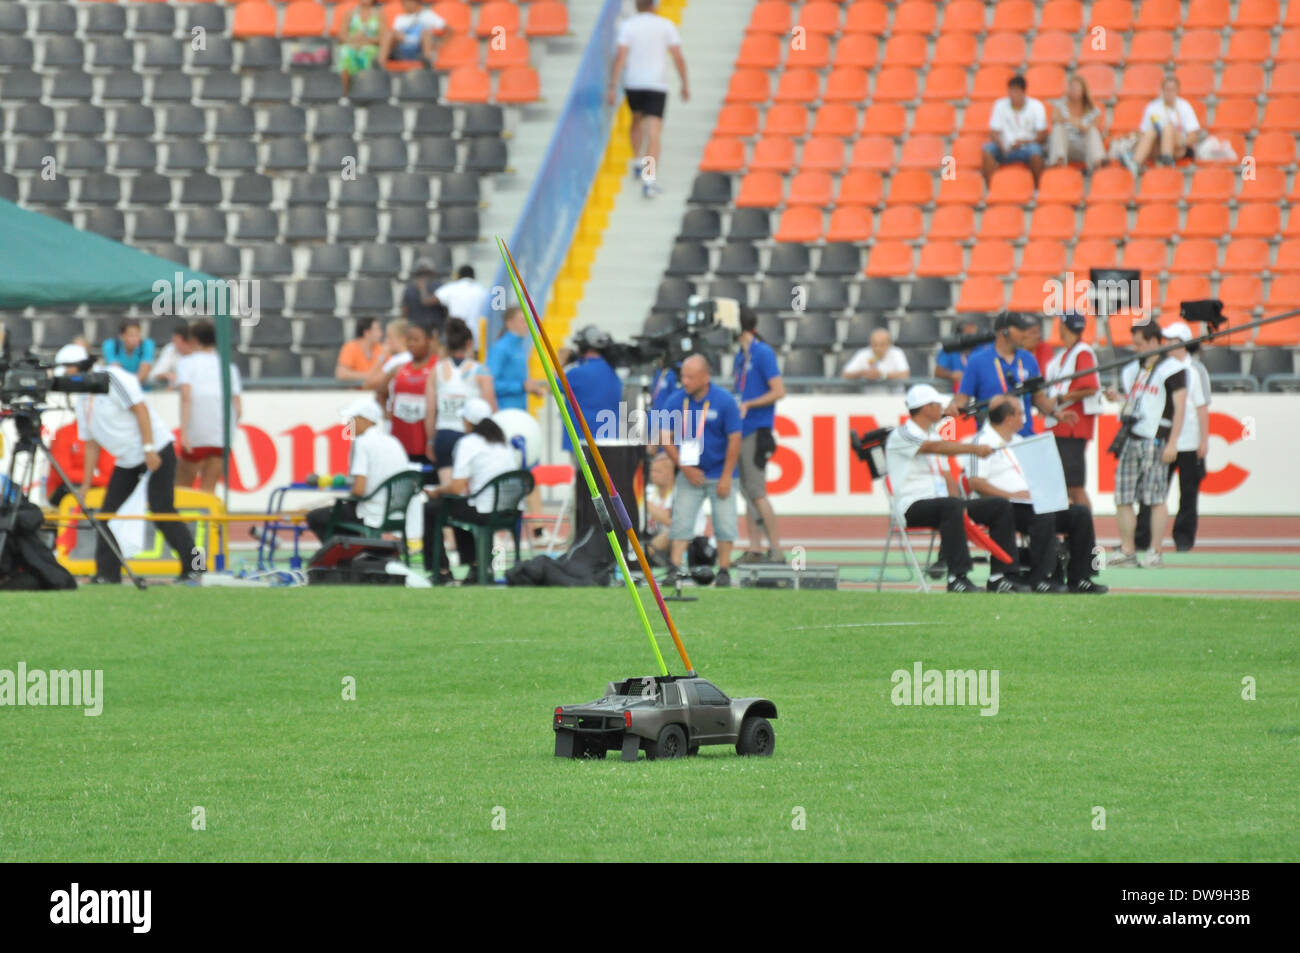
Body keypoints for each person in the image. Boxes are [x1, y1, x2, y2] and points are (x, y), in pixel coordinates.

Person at [72, 346, 199, 583]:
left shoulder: (113, 378)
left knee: (163, 511)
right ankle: (107, 575)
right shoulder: (81, 398)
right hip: (128, 459)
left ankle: (195, 566)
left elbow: (140, 410)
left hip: (156, 450)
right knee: (107, 515)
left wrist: (149, 448)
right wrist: (85, 485)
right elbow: (91, 444)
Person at [884, 384, 1025, 593]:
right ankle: (957, 578)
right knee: (951, 505)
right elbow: (934, 448)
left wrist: (964, 505)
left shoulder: (933, 434)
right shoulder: (902, 434)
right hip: (911, 506)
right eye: (937, 405)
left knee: (999, 506)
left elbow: (948, 478)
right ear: (926, 407)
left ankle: (1000, 576)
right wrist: (974, 449)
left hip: (945, 505)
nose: (942, 408)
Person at [966, 396, 1108, 594]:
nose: (1024, 417)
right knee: (1042, 515)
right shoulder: (982, 442)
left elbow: (1037, 477)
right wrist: (1010, 494)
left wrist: (1055, 497)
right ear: (1008, 418)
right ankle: (1041, 577)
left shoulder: (1019, 441)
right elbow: (975, 482)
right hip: (1003, 506)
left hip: (1032, 503)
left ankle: (1081, 578)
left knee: (1079, 514)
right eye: (1020, 413)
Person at [1104, 322, 1188, 568]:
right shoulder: (1136, 369)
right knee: (1123, 495)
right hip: (1132, 436)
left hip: (1156, 439)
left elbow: (1180, 407)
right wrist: (1119, 398)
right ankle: (1128, 550)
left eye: (1139, 343)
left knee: (1155, 497)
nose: (1136, 348)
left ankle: (1155, 551)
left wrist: (1173, 442)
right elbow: (1139, 402)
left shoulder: (1172, 368)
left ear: (1154, 341)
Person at [659, 355, 741, 587]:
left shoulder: (724, 401)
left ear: (706, 377)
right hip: (689, 472)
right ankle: (675, 568)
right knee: (681, 520)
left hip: (719, 473)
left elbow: (735, 440)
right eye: (683, 376)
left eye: (690, 377)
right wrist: (684, 468)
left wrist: (726, 476)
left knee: (725, 523)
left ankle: (723, 570)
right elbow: (665, 437)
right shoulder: (676, 401)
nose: (684, 381)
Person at [422, 398, 517, 585]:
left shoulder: (468, 443)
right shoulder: (503, 444)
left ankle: (440, 570)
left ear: (468, 421)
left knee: (432, 509)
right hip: (510, 509)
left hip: (485, 510)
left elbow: (456, 487)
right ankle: (475, 566)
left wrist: (437, 491)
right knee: (457, 508)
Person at [1135, 322, 1209, 553]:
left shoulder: (1196, 370)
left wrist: (1203, 440)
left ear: (1184, 343)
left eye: (1172, 341)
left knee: (1188, 493)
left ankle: (1184, 539)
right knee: (1153, 490)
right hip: (1163, 438)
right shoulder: (1159, 367)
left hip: (1188, 441)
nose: (1167, 345)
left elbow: (1202, 407)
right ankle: (1142, 538)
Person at [947, 312, 1075, 438]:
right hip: (992, 442)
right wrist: (953, 406)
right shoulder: (977, 361)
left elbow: (1038, 398)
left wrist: (1056, 414)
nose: (1025, 334)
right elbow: (962, 399)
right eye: (1020, 329)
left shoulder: (1028, 359)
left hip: (1025, 438)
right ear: (1004, 332)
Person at [607, 0, 689, 199]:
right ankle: (648, 178)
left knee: (636, 119)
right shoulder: (665, 25)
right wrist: (684, 82)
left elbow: (620, 56)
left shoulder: (629, 26)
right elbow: (678, 56)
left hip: (633, 82)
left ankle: (637, 161)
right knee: (653, 133)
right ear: (654, 5)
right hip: (656, 84)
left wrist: (612, 84)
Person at [305, 397, 411, 543]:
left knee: (315, 517)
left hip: (371, 513)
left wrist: (344, 497)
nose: (348, 423)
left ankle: (343, 559)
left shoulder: (362, 443)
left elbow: (359, 490)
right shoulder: (394, 442)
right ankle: (354, 556)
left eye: (352, 418)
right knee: (342, 512)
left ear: (365, 419)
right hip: (397, 513)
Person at [732, 307, 785, 563]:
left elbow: (778, 391)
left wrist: (749, 404)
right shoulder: (740, 357)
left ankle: (775, 549)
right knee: (748, 491)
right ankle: (754, 547)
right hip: (743, 430)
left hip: (756, 429)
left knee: (757, 491)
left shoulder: (762, 353)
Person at [175, 320, 242, 495]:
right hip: (221, 434)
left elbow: (186, 395)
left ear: (194, 340)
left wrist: (184, 432)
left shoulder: (187, 363)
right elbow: (237, 405)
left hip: (198, 432)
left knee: (182, 489)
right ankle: (204, 523)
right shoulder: (228, 366)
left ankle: (182, 523)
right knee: (208, 491)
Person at [426, 317, 495, 485]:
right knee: (471, 489)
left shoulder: (436, 370)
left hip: (445, 434)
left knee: (449, 489)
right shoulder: (481, 370)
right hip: (471, 435)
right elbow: (491, 408)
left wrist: (430, 440)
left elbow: (429, 411)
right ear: (470, 343)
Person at [1043, 311, 1102, 508]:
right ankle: (1076, 533)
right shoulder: (1071, 353)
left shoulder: (1081, 352)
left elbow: (1090, 386)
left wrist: (1060, 398)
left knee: (1074, 486)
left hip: (1071, 426)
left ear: (1063, 326)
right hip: (1066, 425)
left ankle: (1085, 535)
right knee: (1067, 485)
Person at [382, 320, 438, 481]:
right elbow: (381, 393)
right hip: (401, 438)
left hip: (425, 441)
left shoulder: (438, 367)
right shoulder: (399, 368)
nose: (412, 344)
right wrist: (387, 415)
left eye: (416, 339)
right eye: (409, 339)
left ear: (428, 341)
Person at [561, 326, 623, 455]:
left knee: (583, 475)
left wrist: (562, 362)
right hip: (608, 440)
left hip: (582, 440)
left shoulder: (577, 372)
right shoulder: (611, 371)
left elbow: (552, 386)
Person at [1129, 75, 1206, 172]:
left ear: (1178, 91)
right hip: (1157, 146)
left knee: (1168, 128)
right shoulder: (1152, 107)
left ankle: (1167, 159)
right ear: (1162, 90)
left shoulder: (1184, 106)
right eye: (1167, 89)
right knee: (1150, 133)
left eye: (1172, 89)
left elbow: (1193, 135)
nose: (1169, 93)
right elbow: (1143, 133)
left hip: (1177, 147)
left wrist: (1181, 142)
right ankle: (1135, 163)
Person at [982, 75, 1049, 186]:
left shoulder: (1036, 106)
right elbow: (994, 132)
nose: (1013, 95)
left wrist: (1023, 142)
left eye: (1016, 91)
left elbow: (1042, 136)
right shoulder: (1000, 105)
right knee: (988, 149)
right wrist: (1001, 143)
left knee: (1036, 151)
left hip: (1027, 147)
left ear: (1023, 92)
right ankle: (990, 188)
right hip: (1005, 147)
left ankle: (1038, 188)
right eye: (1011, 91)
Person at [485, 307, 546, 412]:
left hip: (520, 411)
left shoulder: (520, 347)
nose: (527, 325)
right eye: (522, 321)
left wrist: (531, 388)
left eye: (528, 321)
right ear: (509, 323)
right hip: (504, 411)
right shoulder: (500, 348)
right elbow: (489, 384)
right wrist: (521, 387)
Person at [1048, 73, 1106, 171]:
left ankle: (1098, 163)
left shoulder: (1093, 110)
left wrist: (1071, 120)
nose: (1073, 91)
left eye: (1076, 88)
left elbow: (1093, 127)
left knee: (1092, 131)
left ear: (1083, 91)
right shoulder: (1060, 105)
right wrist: (1080, 124)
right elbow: (1055, 119)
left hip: (1083, 147)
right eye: (1071, 87)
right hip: (1066, 146)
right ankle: (1059, 162)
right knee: (1058, 128)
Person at [337, 0, 383, 95]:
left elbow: (382, 37)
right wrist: (353, 40)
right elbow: (342, 35)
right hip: (352, 44)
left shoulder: (379, 14)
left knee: (366, 52)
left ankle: (364, 89)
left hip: (371, 46)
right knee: (346, 52)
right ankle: (345, 91)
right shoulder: (350, 13)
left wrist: (367, 40)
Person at [381, 0, 445, 68]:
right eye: (404, 3)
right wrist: (399, 37)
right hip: (402, 49)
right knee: (389, 33)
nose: (405, 5)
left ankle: (427, 62)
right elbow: (394, 36)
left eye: (408, 2)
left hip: (419, 50)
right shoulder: (400, 18)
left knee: (426, 32)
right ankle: (380, 63)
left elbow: (448, 30)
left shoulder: (428, 15)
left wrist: (439, 44)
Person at [435, 265, 489, 343]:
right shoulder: (483, 291)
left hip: (456, 334)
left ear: (459, 275)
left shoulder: (451, 288)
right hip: (477, 336)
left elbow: (432, 299)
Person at [934, 319, 985, 393]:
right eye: (969, 335)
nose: (973, 338)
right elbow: (938, 371)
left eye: (975, 335)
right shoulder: (951, 348)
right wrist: (951, 375)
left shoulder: (981, 348)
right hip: (956, 393)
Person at [842, 329, 910, 383]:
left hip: (894, 397)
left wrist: (882, 375)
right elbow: (845, 374)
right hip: (867, 397)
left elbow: (905, 374)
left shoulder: (896, 353)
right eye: (875, 344)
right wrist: (863, 373)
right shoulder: (863, 354)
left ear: (889, 344)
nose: (878, 348)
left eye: (882, 344)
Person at [336, 317, 388, 385]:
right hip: (356, 393)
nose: (381, 334)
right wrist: (367, 376)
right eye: (377, 329)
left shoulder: (382, 349)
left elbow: (388, 373)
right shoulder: (350, 347)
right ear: (366, 333)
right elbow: (341, 374)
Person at [401, 259, 446, 336]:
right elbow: (404, 311)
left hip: (435, 330)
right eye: (421, 274)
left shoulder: (439, 287)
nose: (423, 277)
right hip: (417, 330)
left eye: (425, 274)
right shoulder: (410, 289)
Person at [102, 319, 155, 384]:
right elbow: (117, 372)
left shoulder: (147, 344)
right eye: (131, 335)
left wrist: (131, 386)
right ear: (122, 336)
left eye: (137, 334)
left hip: (143, 390)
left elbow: (143, 373)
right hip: (120, 390)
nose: (135, 339)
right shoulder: (110, 345)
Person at [147, 322, 194, 389]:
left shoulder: (200, 352)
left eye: (176, 341)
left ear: (187, 342)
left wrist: (180, 378)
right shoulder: (170, 348)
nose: (174, 343)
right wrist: (167, 375)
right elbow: (153, 376)